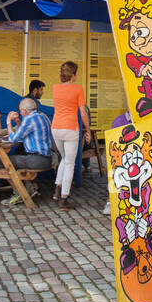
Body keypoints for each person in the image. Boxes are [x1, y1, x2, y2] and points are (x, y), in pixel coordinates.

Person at [50, 61, 89, 209]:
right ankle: (64, 198)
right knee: (70, 164)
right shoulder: (78, 89)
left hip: (56, 128)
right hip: (71, 128)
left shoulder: (55, 88)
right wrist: (88, 130)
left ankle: (57, 189)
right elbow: (83, 113)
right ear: (73, 75)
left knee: (65, 159)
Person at [4, 96, 53, 206]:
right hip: (46, 158)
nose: (20, 113)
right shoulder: (42, 116)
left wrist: (8, 122)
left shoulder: (29, 119)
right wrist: (18, 122)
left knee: (1, 161)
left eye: (20, 111)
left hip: (36, 159)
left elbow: (13, 139)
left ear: (25, 111)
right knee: (17, 154)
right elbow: (26, 132)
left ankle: (19, 193)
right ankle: (29, 189)